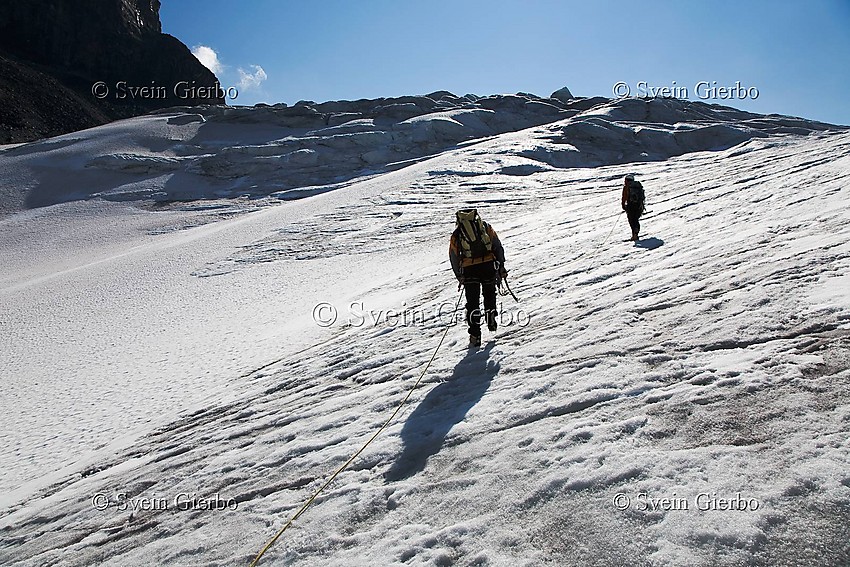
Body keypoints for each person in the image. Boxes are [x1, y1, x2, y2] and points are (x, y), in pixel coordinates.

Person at [448, 209, 507, 347]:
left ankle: (475, 336)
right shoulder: (485, 227)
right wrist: (501, 265)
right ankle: (491, 320)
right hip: (488, 266)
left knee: (472, 303)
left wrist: (459, 276)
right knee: (489, 295)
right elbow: (497, 246)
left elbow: (453, 255)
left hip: (469, 270)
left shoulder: (457, 234)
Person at [621, 173, 645, 241]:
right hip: (638, 205)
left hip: (630, 205)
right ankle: (636, 233)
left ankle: (634, 235)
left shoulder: (627, 186)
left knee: (631, 220)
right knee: (636, 219)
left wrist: (623, 205)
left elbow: (624, 197)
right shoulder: (637, 186)